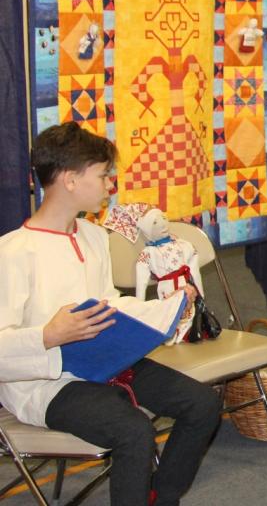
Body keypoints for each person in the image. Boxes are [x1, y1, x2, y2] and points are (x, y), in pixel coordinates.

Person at [0, 122, 221, 506]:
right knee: (133, 431)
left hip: (106, 363)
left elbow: (108, 303)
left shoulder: (92, 235)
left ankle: (160, 496)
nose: (110, 184)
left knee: (203, 404)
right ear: (70, 180)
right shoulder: (13, 253)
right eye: (103, 175)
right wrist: (48, 335)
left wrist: (165, 307)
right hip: (45, 384)